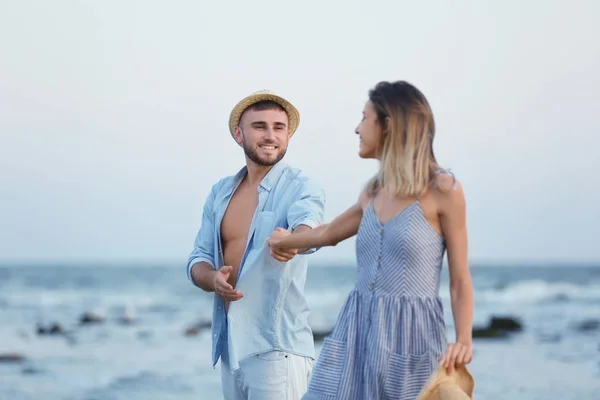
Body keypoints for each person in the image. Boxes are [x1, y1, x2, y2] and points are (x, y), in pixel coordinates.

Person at [267, 81, 474, 400]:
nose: (356, 129)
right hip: (355, 333)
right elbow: (328, 233)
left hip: (412, 339)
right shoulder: (373, 192)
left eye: (364, 118)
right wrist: (284, 242)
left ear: (388, 124)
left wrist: (463, 338)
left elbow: (459, 278)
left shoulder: (443, 190)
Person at [187, 90, 326, 400]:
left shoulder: (302, 186)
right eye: (259, 126)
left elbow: (310, 225)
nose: (270, 135)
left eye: (279, 127)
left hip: (276, 348)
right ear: (239, 134)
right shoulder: (221, 192)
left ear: (288, 136)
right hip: (230, 347)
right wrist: (211, 278)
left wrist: (294, 240)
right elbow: (198, 258)